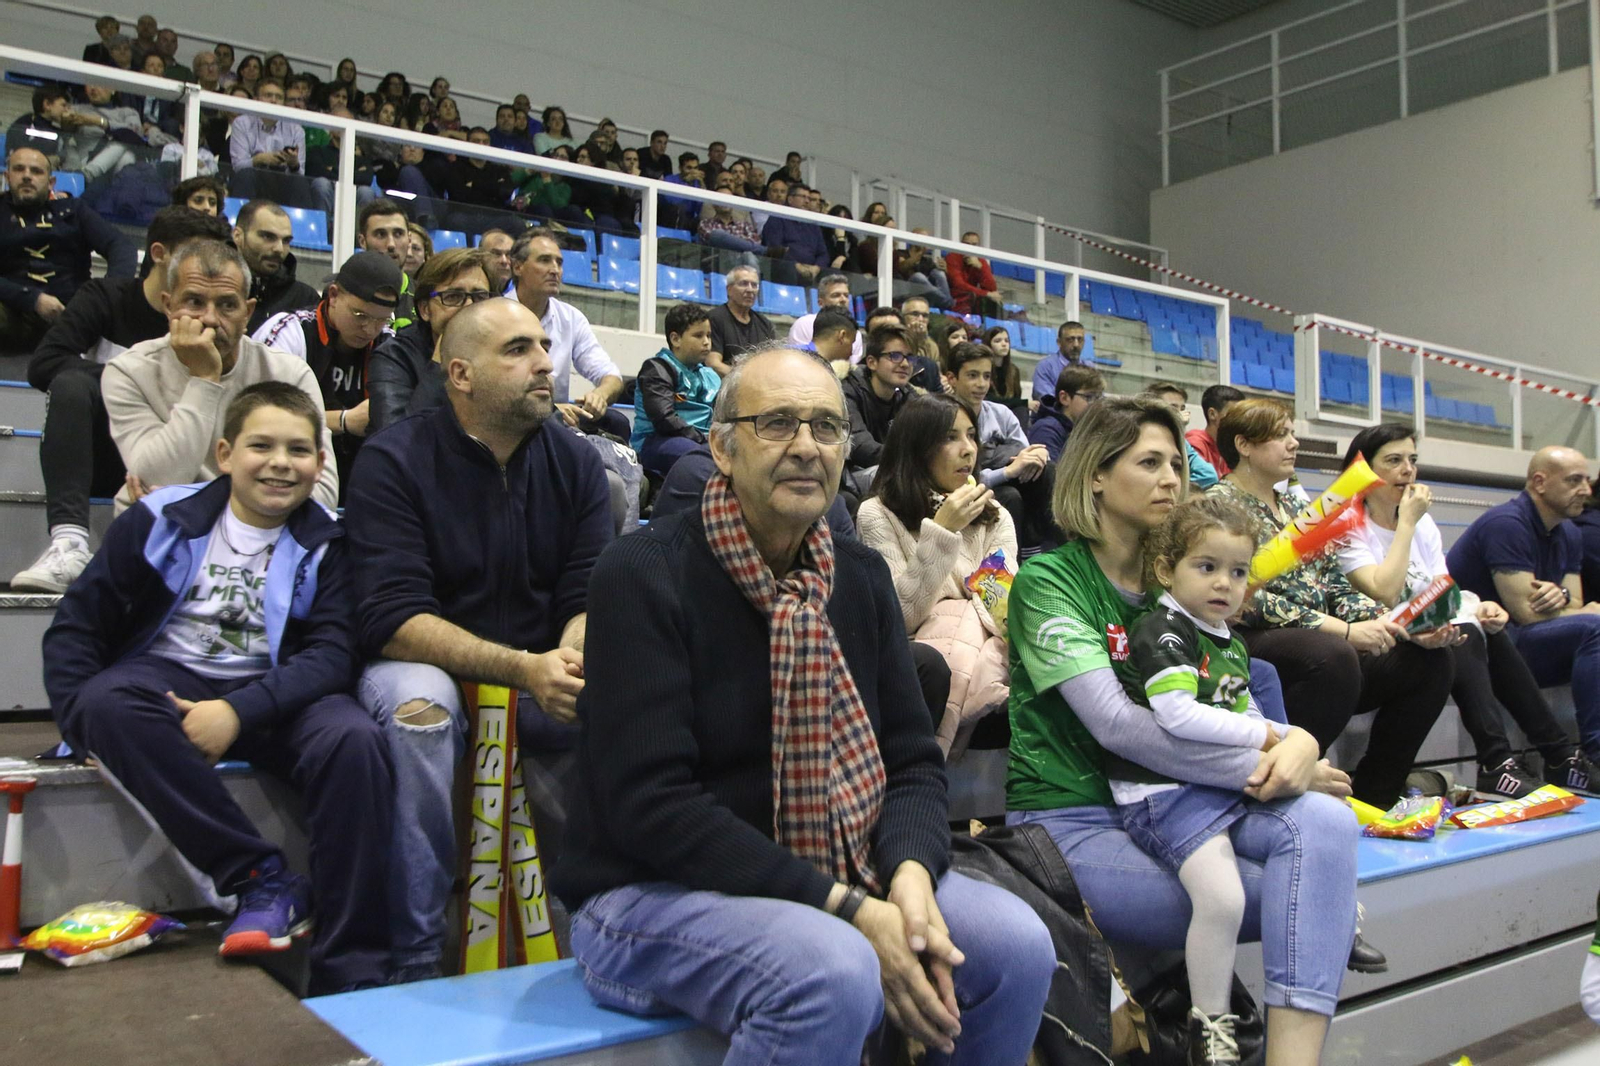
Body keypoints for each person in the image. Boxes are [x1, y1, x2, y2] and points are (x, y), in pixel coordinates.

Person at [553, 345, 1055, 1066]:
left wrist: (910, 874)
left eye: (825, 427)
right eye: (777, 423)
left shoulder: (858, 576)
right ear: (722, 448)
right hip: (648, 888)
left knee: (1017, 945)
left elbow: (912, 762)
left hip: (845, 866)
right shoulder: (642, 572)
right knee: (831, 971)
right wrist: (849, 907)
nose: (806, 447)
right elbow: (651, 807)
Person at [1006, 395, 1362, 1065]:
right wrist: (1274, 758)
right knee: (1310, 888)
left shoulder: (1183, 581)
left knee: (1329, 827)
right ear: (1095, 476)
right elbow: (1120, 728)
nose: (1172, 478)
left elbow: (1240, 688)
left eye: (1176, 463)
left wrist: (1302, 742)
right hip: (1073, 820)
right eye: (1150, 463)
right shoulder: (1049, 581)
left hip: (1182, 801)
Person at [42, 381, 391, 993]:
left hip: (282, 690)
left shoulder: (332, 543)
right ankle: (259, 877)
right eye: (262, 446)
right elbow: (77, 629)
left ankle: (355, 969)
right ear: (225, 453)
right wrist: (79, 722)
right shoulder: (160, 519)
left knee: (355, 740)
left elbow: (332, 655)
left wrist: (235, 711)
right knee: (105, 701)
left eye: (299, 450)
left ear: (319, 464)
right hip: (168, 679)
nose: (280, 463)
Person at [346, 298, 612, 983]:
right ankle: (416, 954)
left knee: (623, 691)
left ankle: (600, 938)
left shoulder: (579, 464)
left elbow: (586, 596)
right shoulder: (393, 460)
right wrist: (525, 669)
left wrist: (569, 658)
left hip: (539, 661)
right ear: (460, 374)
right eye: (518, 350)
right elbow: (393, 620)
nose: (545, 363)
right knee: (422, 713)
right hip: (422, 660)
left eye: (544, 346)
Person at [1208, 399, 1453, 806]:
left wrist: (1399, 625)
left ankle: (1376, 796)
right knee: (1332, 654)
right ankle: (1288, 781)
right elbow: (1245, 597)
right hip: (1250, 635)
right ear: (1244, 445)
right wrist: (1345, 630)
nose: (1294, 443)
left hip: (1324, 639)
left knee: (1428, 660)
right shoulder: (1217, 506)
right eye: (1281, 435)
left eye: (1292, 433)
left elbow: (1334, 583)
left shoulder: (1295, 506)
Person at [1335, 425, 1595, 796]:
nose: (1408, 470)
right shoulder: (1347, 525)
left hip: (1421, 633)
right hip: (1371, 638)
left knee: (1480, 625)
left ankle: (1554, 756)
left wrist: (1477, 605)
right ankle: (1499, 762)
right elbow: (1384, 593)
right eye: (1393, 460)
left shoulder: (1423, 522)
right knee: (1465, 632)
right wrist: (1405, 523)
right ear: (1362, 470)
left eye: (1412, 460)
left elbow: (1441, 590)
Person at [12, 208, 232, 592]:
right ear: (160, 254)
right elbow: (44, 364)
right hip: (110, 450)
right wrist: (131, 379)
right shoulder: (105, 297)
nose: (207, 267)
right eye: (196, 254)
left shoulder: (218, 319)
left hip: (184, 457)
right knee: (70, 386)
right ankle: (69, 543)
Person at [103, 239, 339, 514]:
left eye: (227, 305)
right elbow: (157, 478)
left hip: (258, 534)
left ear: (247, 313)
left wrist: (193, 504)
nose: (211, 319)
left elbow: (323, 496)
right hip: (163, 531)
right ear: (168, 305)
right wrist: (204, 379)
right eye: (194, 302)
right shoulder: (129, 371)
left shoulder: (289, 374)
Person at [858, 392, 1015, 754]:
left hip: (985, 662)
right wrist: (942, 532)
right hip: (924, 670)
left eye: (971, 435)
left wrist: (958, 608)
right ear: (917, 447)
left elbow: (1004, 608)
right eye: (950, 437)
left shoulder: (996, 516)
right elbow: (903, 617)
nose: (968, 449)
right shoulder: (878, 514)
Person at [1446, 445, 1600, 768]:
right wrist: (1578, 610)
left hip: (1526, 644)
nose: (1586, 490)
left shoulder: (1569, 531)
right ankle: (1596, 755)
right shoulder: (1507, 524)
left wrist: (1562, 596)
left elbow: (1574, 601)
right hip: (1486, 651)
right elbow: (1527, 615)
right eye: (1574, 481)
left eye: (1586, 481)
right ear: (1539, 482)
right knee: (1594, 628)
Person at [252, 251, 403, 499]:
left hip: (362, 482)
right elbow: (259, 416)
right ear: (333, 295)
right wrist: (343, 421)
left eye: (382, 320)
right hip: (289, 475)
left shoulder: (389, 343)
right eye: (360, 315)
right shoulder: (290, 332)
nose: (369, 329)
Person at [0, 147, 135, 354]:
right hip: (12, 312)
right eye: (19, 169)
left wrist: (106, 295)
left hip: (73, 316)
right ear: (7, 177)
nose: (27, 176)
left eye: (36, 171)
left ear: (51, 182)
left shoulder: (73, 210)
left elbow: (121, 245)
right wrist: (33, 299)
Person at [506, 230, 628, 436]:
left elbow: (611, 376)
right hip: (513, 415)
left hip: (560, 419)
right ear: (517, 267)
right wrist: (552, 410)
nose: (555, 270)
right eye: (544, 260)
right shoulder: (495, 315)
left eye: (559, 263)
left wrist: (600, 395)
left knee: (617, 422)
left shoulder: (571, 318)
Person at [943, 342, 1054, 554]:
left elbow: (1026, 454)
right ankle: (1013, 561)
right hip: (963, 488)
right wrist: (1007, 471)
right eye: (973, 375)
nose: (981, 384)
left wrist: (1040, 454)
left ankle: (1058, 551)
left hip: (996, 478)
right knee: (1009, 495)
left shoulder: (1001, 413)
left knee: (1047, 471)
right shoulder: (941, 417)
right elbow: (959, 478)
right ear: (952, 378)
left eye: (986, 376)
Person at [369, 248, 494, 433]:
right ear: (425, 310)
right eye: (453, 297)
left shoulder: (502, 353)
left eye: (480, 297)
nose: (469, 307)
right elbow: (396, 438)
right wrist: (439, 364)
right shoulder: (394, 356)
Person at [631, 303, 721, 476]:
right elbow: (664, 420)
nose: (707, 342)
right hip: (655, 441)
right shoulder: (657, 370)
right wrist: (704, 440)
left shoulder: (711, 376)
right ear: (675, 339)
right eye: (698, 335)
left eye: (709, 335)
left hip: (700, 441)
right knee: (704, 459)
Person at [841, 323, 914, 483]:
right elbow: (859, 446)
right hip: (849, 476)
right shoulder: (848, 391)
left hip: (890, 469)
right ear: (872, 362)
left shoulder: (908, 397)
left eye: (909, 357)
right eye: (895, 356)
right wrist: (912, 461)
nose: (905, 364)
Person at [234, 200, 320, 333]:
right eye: (268, 237)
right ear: (238, 236)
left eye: (286, 241)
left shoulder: (306, 300)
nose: (279, 249)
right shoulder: (212, 287)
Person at [1142, 382, 1219, 489]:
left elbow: (1208, 475)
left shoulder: (1181, 440)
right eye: (1173, 408)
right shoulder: (1140, 437)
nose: (1180, 414)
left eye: (1182, 408)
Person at [1026, 365, 1104, 464]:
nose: (1096, 404)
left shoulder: (1087, 430)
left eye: (1098, 398)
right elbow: (1052, 473)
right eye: (1089, 397)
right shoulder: (1046, 430)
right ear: (1064, 398)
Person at [706, 264, 775, 376]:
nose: (750, 290)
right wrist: (745, 379)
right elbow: (713, 364)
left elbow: (773, 364)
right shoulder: (714, 318)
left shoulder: (765, 324)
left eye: (754, 285)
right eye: (744, 284)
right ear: (729, 290)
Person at [761, 182, 828, 284]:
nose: (807, 201)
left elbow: (823, 253)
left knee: (833, 275)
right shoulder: (777, 218)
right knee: (788, 268)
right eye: (803, 197)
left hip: (810, 272)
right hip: (784, 270)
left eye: (809, 198)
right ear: (790, 199)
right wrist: (796, 266)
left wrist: (816, 268)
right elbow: (776, 248)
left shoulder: (813, 225)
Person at [787, 274, 864, 362]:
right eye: (836, 295)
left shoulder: (855, 332)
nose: (843, 300)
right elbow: (797, 360)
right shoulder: (803, 324)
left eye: (846, 295)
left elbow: (851, 365)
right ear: (821, 303)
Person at [1029, 322, 1094, 406]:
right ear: (1059, 342)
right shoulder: (1046, 366)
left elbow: (1098, 398)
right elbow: (1047, 401)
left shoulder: (1090, 368)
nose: (1076, 345)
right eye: (1070, 340)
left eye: (1080, 339)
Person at [5, 86, 74, 160]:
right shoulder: (26, 123)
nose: (67, 110)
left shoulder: (55, 129)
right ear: (47, 104)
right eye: (63, 105)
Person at [1188, 385, 1244, 477]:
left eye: (1241, 415)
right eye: (1233, 414)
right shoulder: (1195, 444)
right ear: (1212, 414)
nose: (1240, 420)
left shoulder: (1229, 447)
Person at [943, 232, 1000, 317]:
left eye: (974, 245)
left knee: (994, 301)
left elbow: (992, 288)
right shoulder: (953, 257)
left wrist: (980, 268)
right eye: (967, 244)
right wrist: (986, 293)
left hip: (971, 299)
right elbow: (959, 285)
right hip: (953, 297)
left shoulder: (980, 261)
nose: (970, 248)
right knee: (970, 295)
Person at [660, 150, 706, 230]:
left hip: (689, 219)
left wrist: (702, 187)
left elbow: (699, 210)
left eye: (695, 168)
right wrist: (687, 184)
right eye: (689, 168)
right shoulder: (670, 179)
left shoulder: (697, 183)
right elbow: (671, 202)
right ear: (680, 168)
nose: (693, 172)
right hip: (669, 216)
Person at [981, 325, 1023, 406]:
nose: (1004, 344)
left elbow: (1017, 397)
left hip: (1009, 411)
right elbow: (987, 399)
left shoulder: (1014, 370)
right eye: (997, 341)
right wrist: (1024, 403)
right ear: (988, 344)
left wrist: (1021, 404)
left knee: (1022, 409)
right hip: (988, 409)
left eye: (1006, 341)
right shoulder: (982, 369)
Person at [478, 228, 516, 293]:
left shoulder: (522, 293)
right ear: (481, 257)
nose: (504, 261)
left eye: (509, 254)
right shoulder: (470, 291)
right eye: (496, 254)